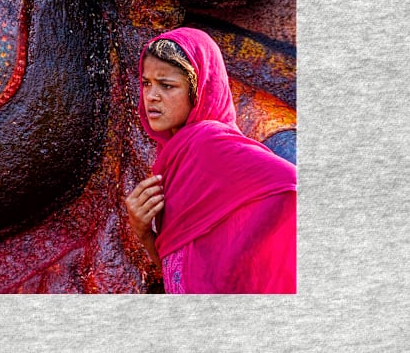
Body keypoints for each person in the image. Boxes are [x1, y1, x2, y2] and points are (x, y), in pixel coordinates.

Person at [125, 27, 297, 293]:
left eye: (167, 85)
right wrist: (144, 232)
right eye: (146, 82)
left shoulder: (208, 143)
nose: (151, 96)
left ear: (200, 89)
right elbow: (182, 269)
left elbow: (290, 182)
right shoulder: (177, 156)